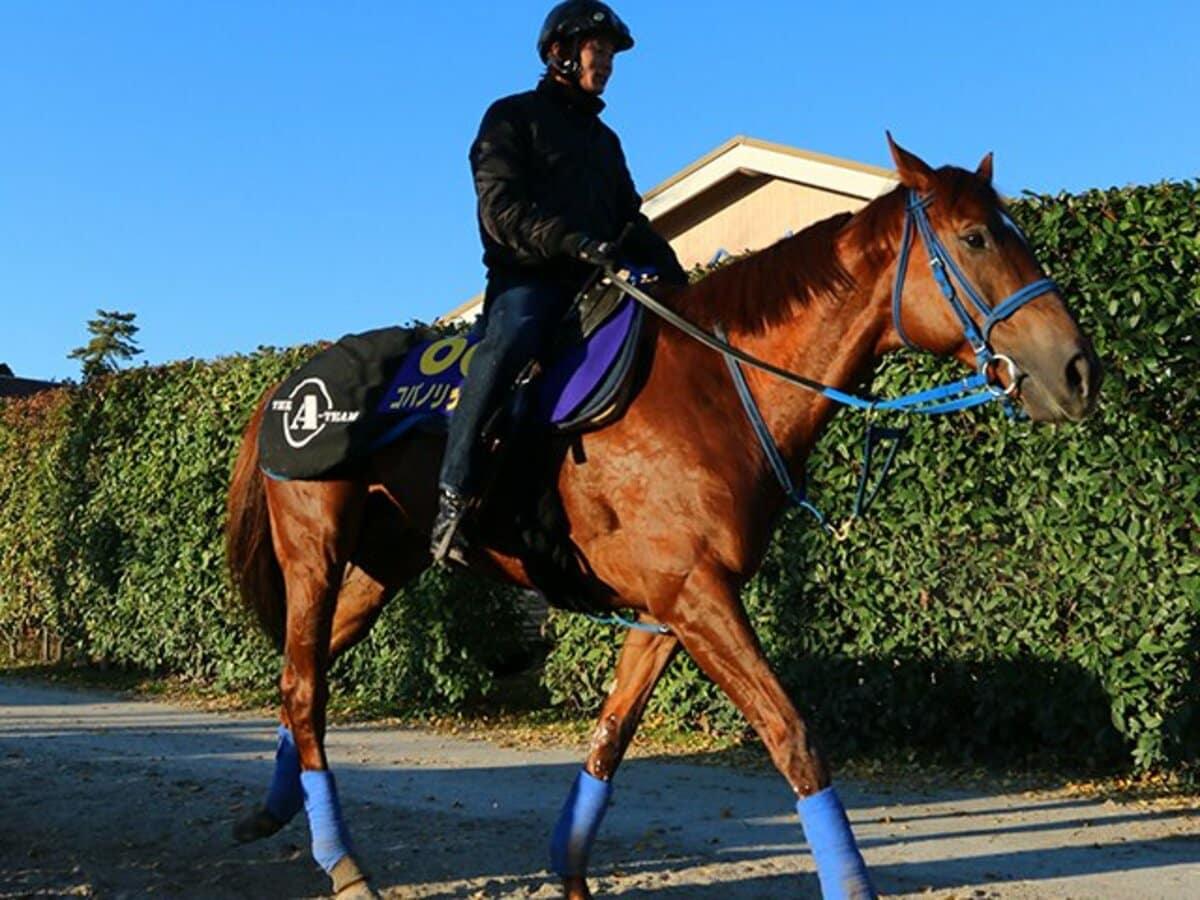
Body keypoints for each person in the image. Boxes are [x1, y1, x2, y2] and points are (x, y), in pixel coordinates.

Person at [431, 0, 688, 564]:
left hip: (594, 285)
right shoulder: (509, 117)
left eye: (611, 55)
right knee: (511, 338)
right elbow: (500, 209)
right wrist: (571, 241)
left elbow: (629, 221)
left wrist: (679, 281)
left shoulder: (605, 142)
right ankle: (453, 497)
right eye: (599, 51)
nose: (608, 65)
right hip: (527, 280)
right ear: (561, 54)